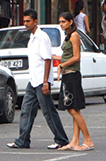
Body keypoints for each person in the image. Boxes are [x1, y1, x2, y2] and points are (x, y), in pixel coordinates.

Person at [7, 9, 69, 150]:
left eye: (28, 21)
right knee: (26, 111)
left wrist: (46, 82)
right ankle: (22, 140)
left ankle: (61, 140)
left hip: (41, 81)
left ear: (35, 21)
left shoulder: (42, 37)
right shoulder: (32, 37)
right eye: (24, 21)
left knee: (48, 112)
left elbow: (47, 60)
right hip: (33, 80)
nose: (25, 24)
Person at [57, 12, 94, 151]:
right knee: (75, 108)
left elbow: (76, 57)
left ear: (71, 22)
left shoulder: (74, 35)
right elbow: (67, 55)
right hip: (68, 74)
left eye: (63, 22)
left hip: (72, 75)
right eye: (60, 22)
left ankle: (88, 140)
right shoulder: (68, 36)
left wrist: (62, 65)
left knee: (71, 109)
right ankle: (74, 141)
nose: (61, 24)